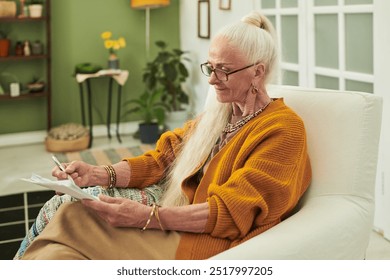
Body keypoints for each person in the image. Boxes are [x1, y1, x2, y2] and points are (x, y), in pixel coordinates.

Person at [19, 10, 311, 260]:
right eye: (210, 67)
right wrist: (96, 173)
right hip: (172, 211)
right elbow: (160, 160)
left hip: (200, 238)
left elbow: (232, 212)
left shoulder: (283, 130)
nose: (211, 79)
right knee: (58, 245)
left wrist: (147, 216)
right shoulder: (218, 117)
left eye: (224, 70)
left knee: (69, 215)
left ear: (258, 72)